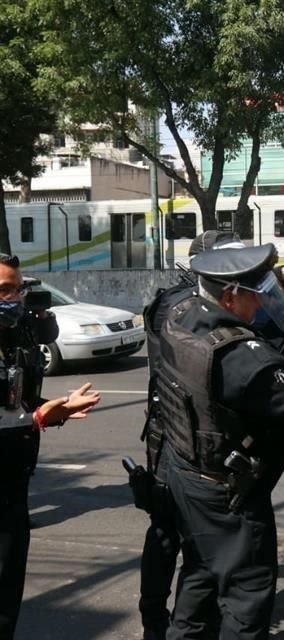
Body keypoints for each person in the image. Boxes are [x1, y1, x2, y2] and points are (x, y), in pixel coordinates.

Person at [154, 243, 284, 639]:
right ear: (229, 295)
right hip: (228, 495)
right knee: (248, 595)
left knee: (201, 571)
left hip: (187, 472)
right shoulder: (242, 357)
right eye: (256, 296)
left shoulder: (181, 310)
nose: (262, 306)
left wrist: (283, 280)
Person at [134, 230, 246, 640]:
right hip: (173, 436)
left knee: (188, 539)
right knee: (170, 534)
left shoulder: (188, 303)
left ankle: (187, 619)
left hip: (184, 433)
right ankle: (158, 622)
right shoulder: (179, 304)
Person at [0, 254, 101, 639]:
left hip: (14, 476)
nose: (13, 299)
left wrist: (41, 410)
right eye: (3, 290)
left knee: (9, 590)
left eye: (18, 289)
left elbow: (16, 399)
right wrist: (41, 417)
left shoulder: (15, 333)